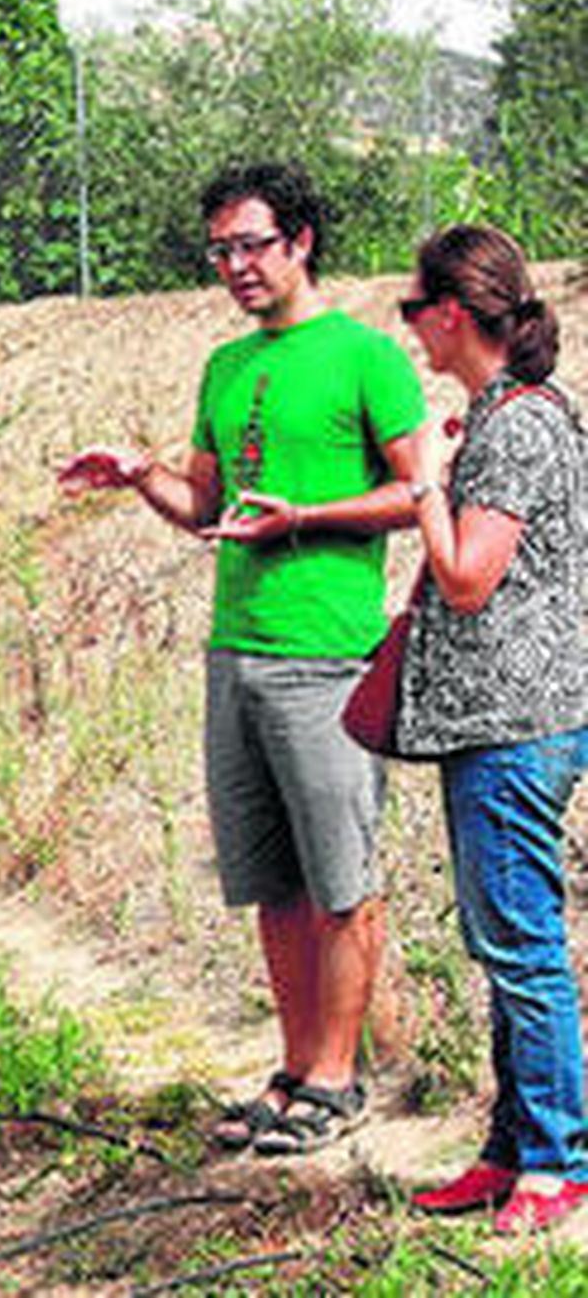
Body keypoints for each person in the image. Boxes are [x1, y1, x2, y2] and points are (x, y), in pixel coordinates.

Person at [58, 161, 425, 1155]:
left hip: (328, 653)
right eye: (220, 249)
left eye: (252, 244)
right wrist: (139, 474)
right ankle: (294, 1064)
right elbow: (209, 508)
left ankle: (340, 1079)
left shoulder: (364, 355)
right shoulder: (225, 368)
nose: (235, 266)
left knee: (340, 874)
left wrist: (305, 516)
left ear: (300, 240)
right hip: (237, 649)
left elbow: (415, 495)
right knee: (273, 880)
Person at [392, 224, 588, 1235]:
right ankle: (511, 1148)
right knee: (500, 937)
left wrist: (426, 478)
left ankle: (558, 1160)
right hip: (503, 721)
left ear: (452, 313)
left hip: (514, 724)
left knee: (520, 943)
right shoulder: (514, 416)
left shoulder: (514, 427)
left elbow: (468, 579)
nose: (410, 330)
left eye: (411, 309)